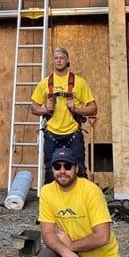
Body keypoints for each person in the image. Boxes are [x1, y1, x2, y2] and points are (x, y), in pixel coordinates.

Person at [30, 47, 97, 183]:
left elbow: (93, 109)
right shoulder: (45, 83)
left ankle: (80, 203)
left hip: (73, 133)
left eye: (61, 58)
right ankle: (51, 203)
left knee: (80, 171)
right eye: (56, 58)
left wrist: (77, 109)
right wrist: (45, 110)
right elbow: (33, 108)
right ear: (53, 61)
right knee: (50, 171)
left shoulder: (79, 82)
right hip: (51, 134)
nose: (58, 60)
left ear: (67, 61)